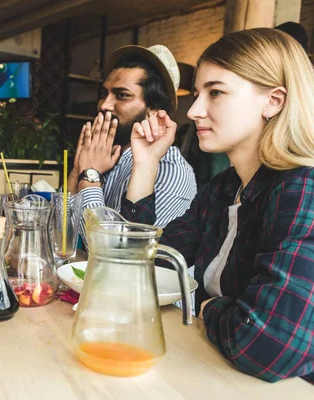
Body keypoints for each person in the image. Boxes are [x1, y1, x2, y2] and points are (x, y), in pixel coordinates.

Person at [121, 28, 314, 382]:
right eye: (198, 94)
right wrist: (146, 164)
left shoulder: (303, 190)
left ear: (274, 100)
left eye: (216, 93)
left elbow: (269, 346)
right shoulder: (224, 189)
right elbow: (143, 266)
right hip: (214, 371)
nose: (194, 110)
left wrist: (206, 308)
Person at [68, 44, 197, 247]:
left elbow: (112, 253)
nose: (104, 105)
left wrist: (89, 175)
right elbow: (65, 237)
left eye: (122, 95)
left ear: (154, 110)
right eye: (104, 94)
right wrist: (78, 170)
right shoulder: (106, 158)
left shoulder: (170, 170)